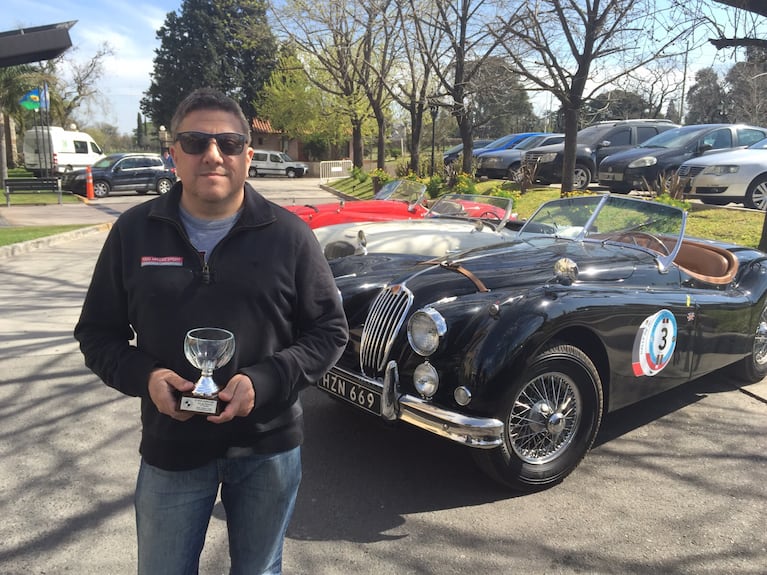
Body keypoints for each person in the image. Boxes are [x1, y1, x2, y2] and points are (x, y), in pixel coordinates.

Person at [74, 87, 348, 574]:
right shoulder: (133, 233)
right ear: (174, 153)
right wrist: (146, 378)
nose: (213, 155)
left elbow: (329, 331)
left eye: (230, 142)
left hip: (268, 447)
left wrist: (264, 382)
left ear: (248, 154)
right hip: (170, 446)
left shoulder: (290, 236)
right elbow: (97, 333)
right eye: (196, 141)